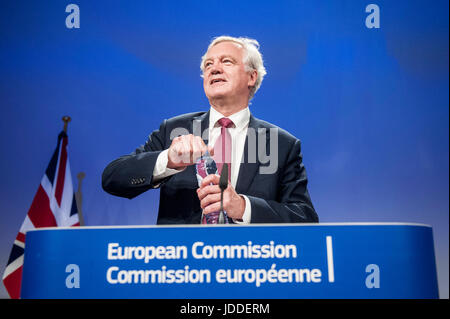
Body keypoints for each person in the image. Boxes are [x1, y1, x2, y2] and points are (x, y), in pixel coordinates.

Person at [102, 35, 318, 224]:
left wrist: (244, 207)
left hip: (251, 265)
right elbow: (112, 178)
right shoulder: (174, 130)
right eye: (208, 65)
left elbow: (305, 217)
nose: (214, 68)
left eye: (227, 61)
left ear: (251, 77)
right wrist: (168, 160)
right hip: (183, 264)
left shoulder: (282, 145)